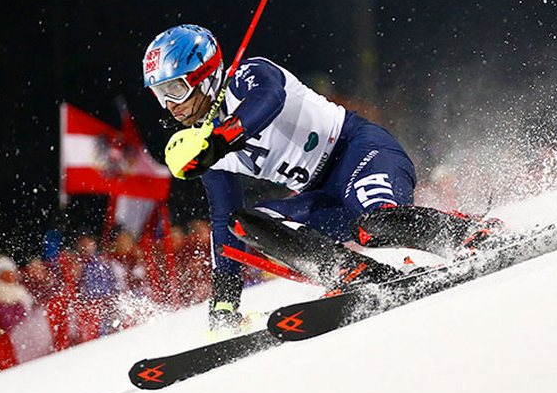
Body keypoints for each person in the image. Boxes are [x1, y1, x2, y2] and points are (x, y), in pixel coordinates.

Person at [143, 24, 494, 333]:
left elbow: (269, 98)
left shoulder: (248, 76)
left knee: (375, 225)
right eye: (159, 96)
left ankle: (471, 234)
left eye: (175, 89)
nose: (170, 105)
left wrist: (220, 140)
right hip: (322, 196)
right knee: (244, 222)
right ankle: (355, 274)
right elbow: (222, 222)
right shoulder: (209, 151)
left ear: (204, 75)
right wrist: (224, 302)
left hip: (359, 152)